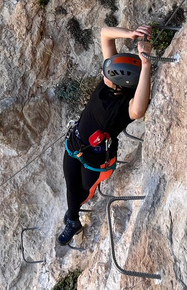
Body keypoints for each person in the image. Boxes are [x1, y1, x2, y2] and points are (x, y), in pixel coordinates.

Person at [57, 25, 153, 246]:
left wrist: (146, 64)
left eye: (107, 73)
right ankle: (73, 219)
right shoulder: (107, 84)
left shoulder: (125, 107)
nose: (102, 73)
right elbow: (105, 34)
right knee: (71, 185)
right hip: (74, 143)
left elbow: (139, 109)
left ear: (120, 83)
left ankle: (72, 215)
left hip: (96, 160)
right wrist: (131, 34)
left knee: (82, 192)